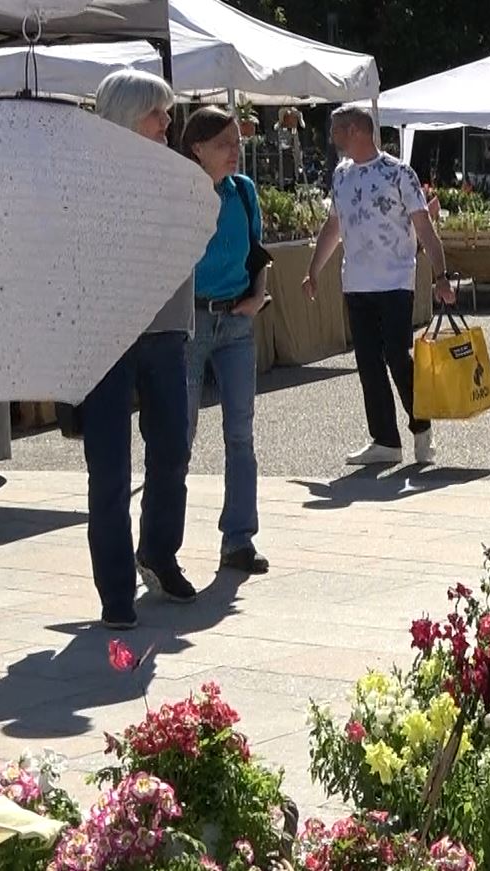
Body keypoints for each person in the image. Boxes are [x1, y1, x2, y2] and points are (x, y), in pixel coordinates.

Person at [81, 70, 198, 628]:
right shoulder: (84, 178)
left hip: (167, 330)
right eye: (159, 113)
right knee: (108, 468)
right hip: (106, 335)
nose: (169, 123)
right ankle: (114, 592)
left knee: (172, 451)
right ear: (129, 114)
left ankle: (157, 552)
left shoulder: (179, 175)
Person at [304, 106, 456, 466]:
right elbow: (334, 226)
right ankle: (385, 440)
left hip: (394, 281)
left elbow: (423, 228)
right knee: (368, 362)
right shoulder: (341, 175)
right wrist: (314, 268)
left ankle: (421, 428)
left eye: (336, 130)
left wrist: (441, 275)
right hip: (356, 283)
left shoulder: (399, 173)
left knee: (397, 357)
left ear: (355, 129)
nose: (332, 137)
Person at [179, 107, 270, 575]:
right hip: (190, 322)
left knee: (241, 432)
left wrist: (257, 297)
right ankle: (161, 545)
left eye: (237, 142)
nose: (236, 151)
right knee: (180, 436)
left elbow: (257, 253)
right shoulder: (180, 192)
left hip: (235, 321)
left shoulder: (243, 192)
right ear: (197, 149)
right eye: (224, 144)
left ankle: (239, 540)